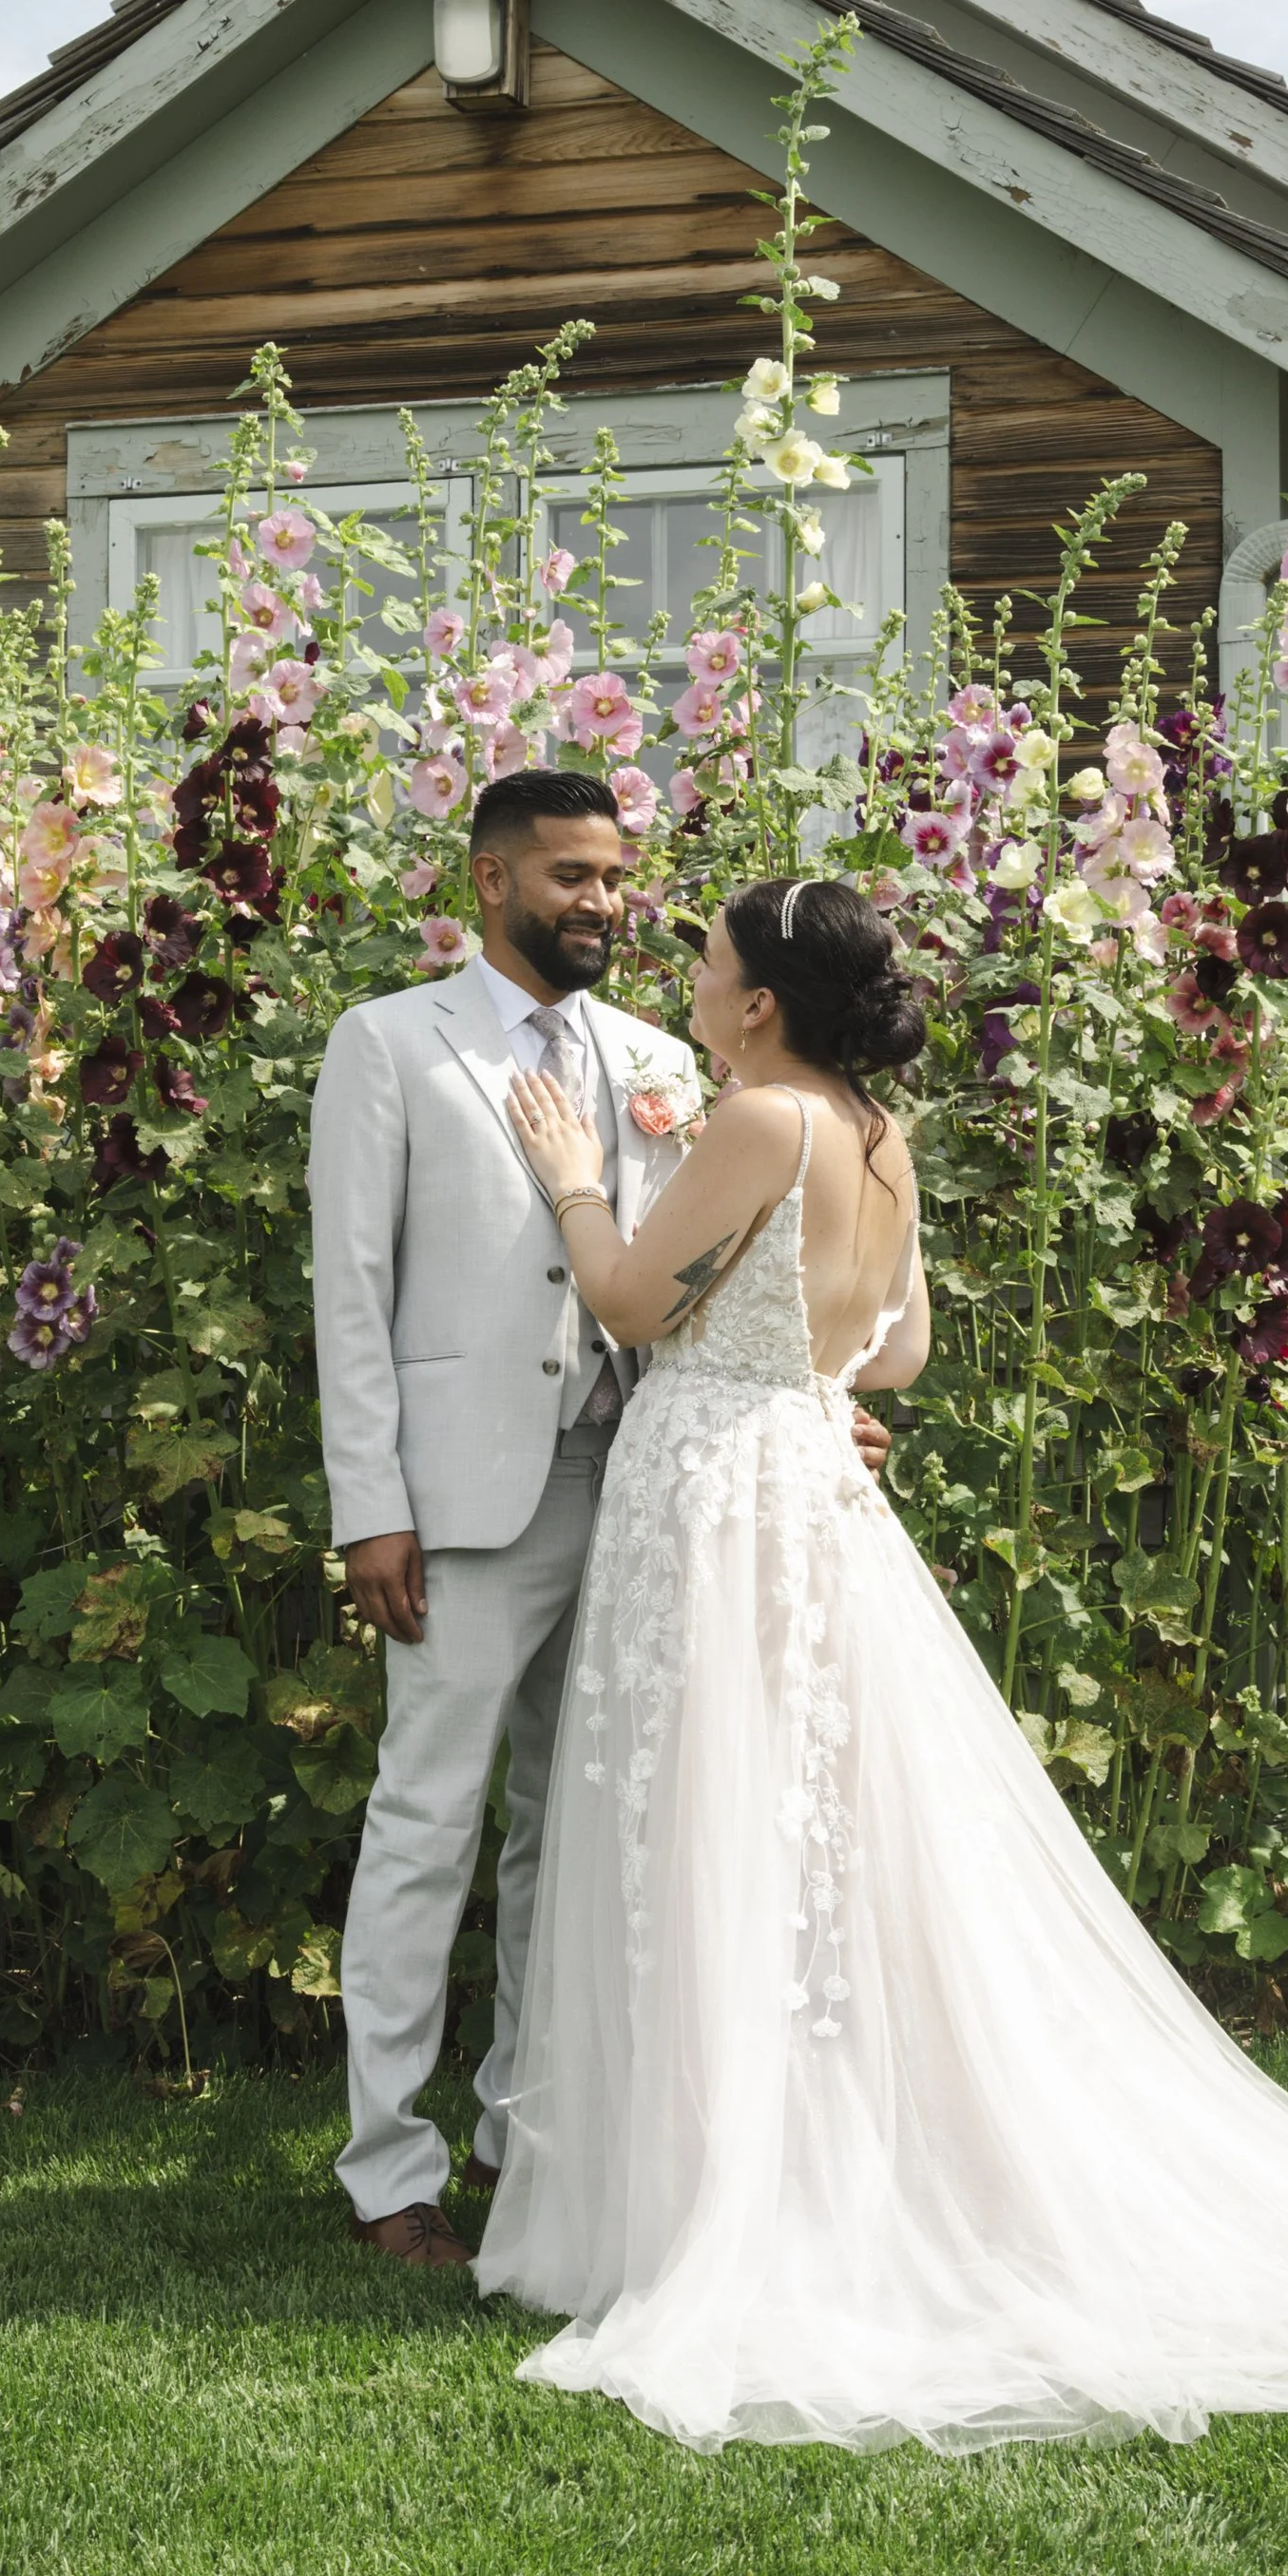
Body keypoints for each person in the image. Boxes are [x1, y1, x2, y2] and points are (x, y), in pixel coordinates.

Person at [475, 874, 1288, 2452]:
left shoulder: (764, 1119)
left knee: (711, 1823)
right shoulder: (877, 1136)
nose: (695, 978)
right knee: (821, 1836)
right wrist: (798, 1361)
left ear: (760, 1005)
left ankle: (718, 2196)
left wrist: (582, 1176)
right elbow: (903, 1352)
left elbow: (618, 1295)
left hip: (718, 1498)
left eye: (711, 962)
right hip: (811, 1485)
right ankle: (816, 2152)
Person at [308, 773, 883, 2272]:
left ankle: (530, 2141)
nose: (602, 901)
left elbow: (723, 1262)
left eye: (617, 876)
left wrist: (809, 1388)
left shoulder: (664, 1057)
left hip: (649, 1492)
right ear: (490, 877)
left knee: (581, 1829)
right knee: (425, 1823)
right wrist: (372, 1504)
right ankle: (390, 2170)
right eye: (570, 874)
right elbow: (349, 1294)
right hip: (464, 1502)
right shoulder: (388, 1044)